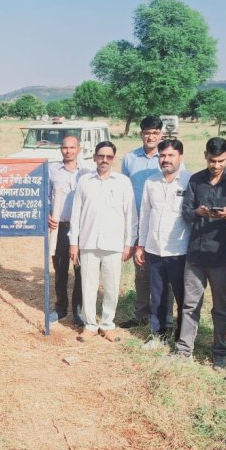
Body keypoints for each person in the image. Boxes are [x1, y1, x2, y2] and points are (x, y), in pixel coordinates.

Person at [170, 137, 226, 369]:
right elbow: (185, 211)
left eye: (221, 160)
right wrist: (199, 211)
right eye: (212, 160)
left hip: (224, 254)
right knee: (189, 305)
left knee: (220, 307)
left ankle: (220, 353)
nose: (216, 165)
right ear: (205, 155)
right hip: (195, 254)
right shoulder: (196, 179)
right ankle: (184, 350)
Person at [69, 141, 135, 342]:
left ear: (113, 159)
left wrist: (128, 243)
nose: (104, 160)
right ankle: (90, 325)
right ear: (95, 157)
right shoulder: (85, 181)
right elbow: (76, 213)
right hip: (88, 242)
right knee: (88, 285)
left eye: (108, 157)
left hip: (114, 244)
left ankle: (107, 324)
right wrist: (74, 242)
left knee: (112, 286)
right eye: (101, 156)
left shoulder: (123, 182)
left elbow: (131, 215)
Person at [121, 116, 178, 326]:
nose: (151, 136)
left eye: (155, 133)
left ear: (161, 134)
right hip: (137, 222)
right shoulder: (129, 159)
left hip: (163, 225)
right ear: (141, 134)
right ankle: (142, 315)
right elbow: (124, 191)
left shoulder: (168, 157)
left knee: (165, 275)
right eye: (147, 133)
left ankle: (166, 318)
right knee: (141, 271)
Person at [135, 139, 191, 350]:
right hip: (154, 249)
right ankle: (157, 334)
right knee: (157, 295)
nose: (166, 160)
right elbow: (145, 215)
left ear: (180, 157)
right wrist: (141, 245)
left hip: (180, 250)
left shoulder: (190, 180)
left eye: (170, 155)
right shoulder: (151, 182)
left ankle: (182, 337)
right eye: (162, 156)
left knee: (182, 297)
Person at [47, 135, 94, 325]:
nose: (68, 151)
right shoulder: (51, 170)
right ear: (61, 149)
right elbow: (44, 196)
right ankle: (60, 308)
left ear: (79, 149)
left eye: (72, 148)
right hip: (59, 227)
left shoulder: (88, 171)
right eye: (65, 148)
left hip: (82, 229)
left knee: (81, 269)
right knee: (60, 269)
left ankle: (78, 310)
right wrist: (46, 216)